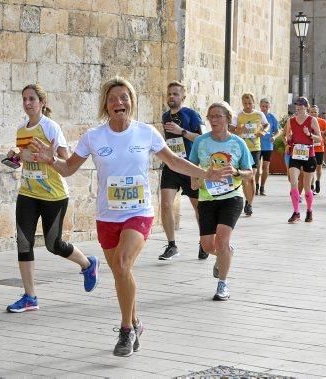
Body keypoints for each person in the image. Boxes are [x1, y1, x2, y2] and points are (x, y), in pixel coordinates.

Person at [29, 77, 232, 357]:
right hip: (107, 216)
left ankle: (125, 330)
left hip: (138, 212)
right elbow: (68, 169)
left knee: (123, 263)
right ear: (106, 105)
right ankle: (136, 322)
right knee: (120, 273)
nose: (118, 103)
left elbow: (174, 161)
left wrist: (206, 173)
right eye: (113, 99)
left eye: (124, 97)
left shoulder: (145, 133)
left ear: (131, 102)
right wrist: (51, 160)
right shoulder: (94, 137)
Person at [5, 84, 100, 314]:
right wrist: (16, 158)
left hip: (53, 195)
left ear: (42, 102)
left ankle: (88, 264)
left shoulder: (51, 127)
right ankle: (30, 296)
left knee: (53, 244)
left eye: (32, 99)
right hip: (27, 192)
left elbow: (65, 160)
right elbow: (25, 158)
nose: (27, 103)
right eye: (24, 99)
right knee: (23, 242)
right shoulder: (21, 129)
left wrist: (44, 155)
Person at [189, 101, 254, 302]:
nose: (214, 120)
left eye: (218, 116)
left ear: (227, 118)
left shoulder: (238, 143)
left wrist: (236, 172)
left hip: (232, 197)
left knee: (223, 239)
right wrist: (195, 180)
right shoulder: (200, 142)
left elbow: (249, 172)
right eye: (211, 116)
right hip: (207, 197)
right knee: (208, 246)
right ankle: (225, 255)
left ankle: (222, 284)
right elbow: (191, 166)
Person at [158, 81, 206, 261]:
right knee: (166, 205)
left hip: (189, 166)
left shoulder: (191, 114)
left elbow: (202, 138)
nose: (172, 97)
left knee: (198, 208)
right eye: (169, 93)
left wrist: (182, 131)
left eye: (176, 94)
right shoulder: (164, 116)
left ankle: (204, 242)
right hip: (171, 166)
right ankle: (171, 245)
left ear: (183, 97)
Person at [283, 97, 322, 223]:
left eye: (301, 105)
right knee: (293, 182)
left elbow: (319, 139)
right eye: (297, 105)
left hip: (309, 155)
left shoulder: (312, 120)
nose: (298, 107)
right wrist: (288, 139)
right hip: (295, 155)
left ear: (306, 106)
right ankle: (296, 212)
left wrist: (309, 134)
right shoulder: (291, 120)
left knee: (307, 187)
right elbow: (287, 136)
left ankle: (309, 210)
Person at [230, 93, 268, 216]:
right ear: (242, 103)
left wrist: (263, 131)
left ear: (253, 103)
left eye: (250, 103)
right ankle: (246, 199)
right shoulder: (238, 116)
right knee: (245, 178)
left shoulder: (259, 114)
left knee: (251, 176)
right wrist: (239, 130)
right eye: (245, 104)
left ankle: (249, 204)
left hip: (255, 148)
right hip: (242, 149)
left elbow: (266, 125)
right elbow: (232, 130)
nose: (247, 106)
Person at [257, 98, 280, 196]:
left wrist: (274, 137)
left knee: (266, 167)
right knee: (257, 168)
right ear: (260, 106)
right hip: (257, 146)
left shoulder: (272, 117)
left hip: (268, 146)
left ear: (269, 107)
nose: (264, 108)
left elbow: (278, 131)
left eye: (266, 107)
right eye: (263, 106)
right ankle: (256, 185)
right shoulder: (257, 116)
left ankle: (262, 187)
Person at [309, 105, 326, 193]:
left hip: (319, 148)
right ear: (309, 112)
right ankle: (311, 185)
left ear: (318, 113)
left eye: (315, 112)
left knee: (319, 167)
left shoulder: (322, 121)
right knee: (311, 167)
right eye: (311, 112)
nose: (313, 113)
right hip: (309, 148)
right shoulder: (307, 121)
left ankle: (318, 181)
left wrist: (319, 133)